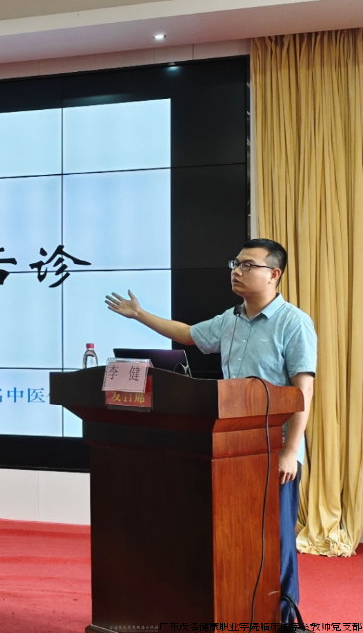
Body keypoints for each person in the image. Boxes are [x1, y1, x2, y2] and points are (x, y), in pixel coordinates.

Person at [105, 238, 316, 623]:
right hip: (231, 446)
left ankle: (285, 620)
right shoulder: (230, 319)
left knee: (277, 537)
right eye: (236, 263)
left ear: (274, 274)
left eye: (248, 265)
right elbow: (188, 335)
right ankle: (240, 609)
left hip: (275, 448)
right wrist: (140, 315)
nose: (237, 271)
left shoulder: (293, 322)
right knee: (235, 534)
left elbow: (304, 391)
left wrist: (291, 451)